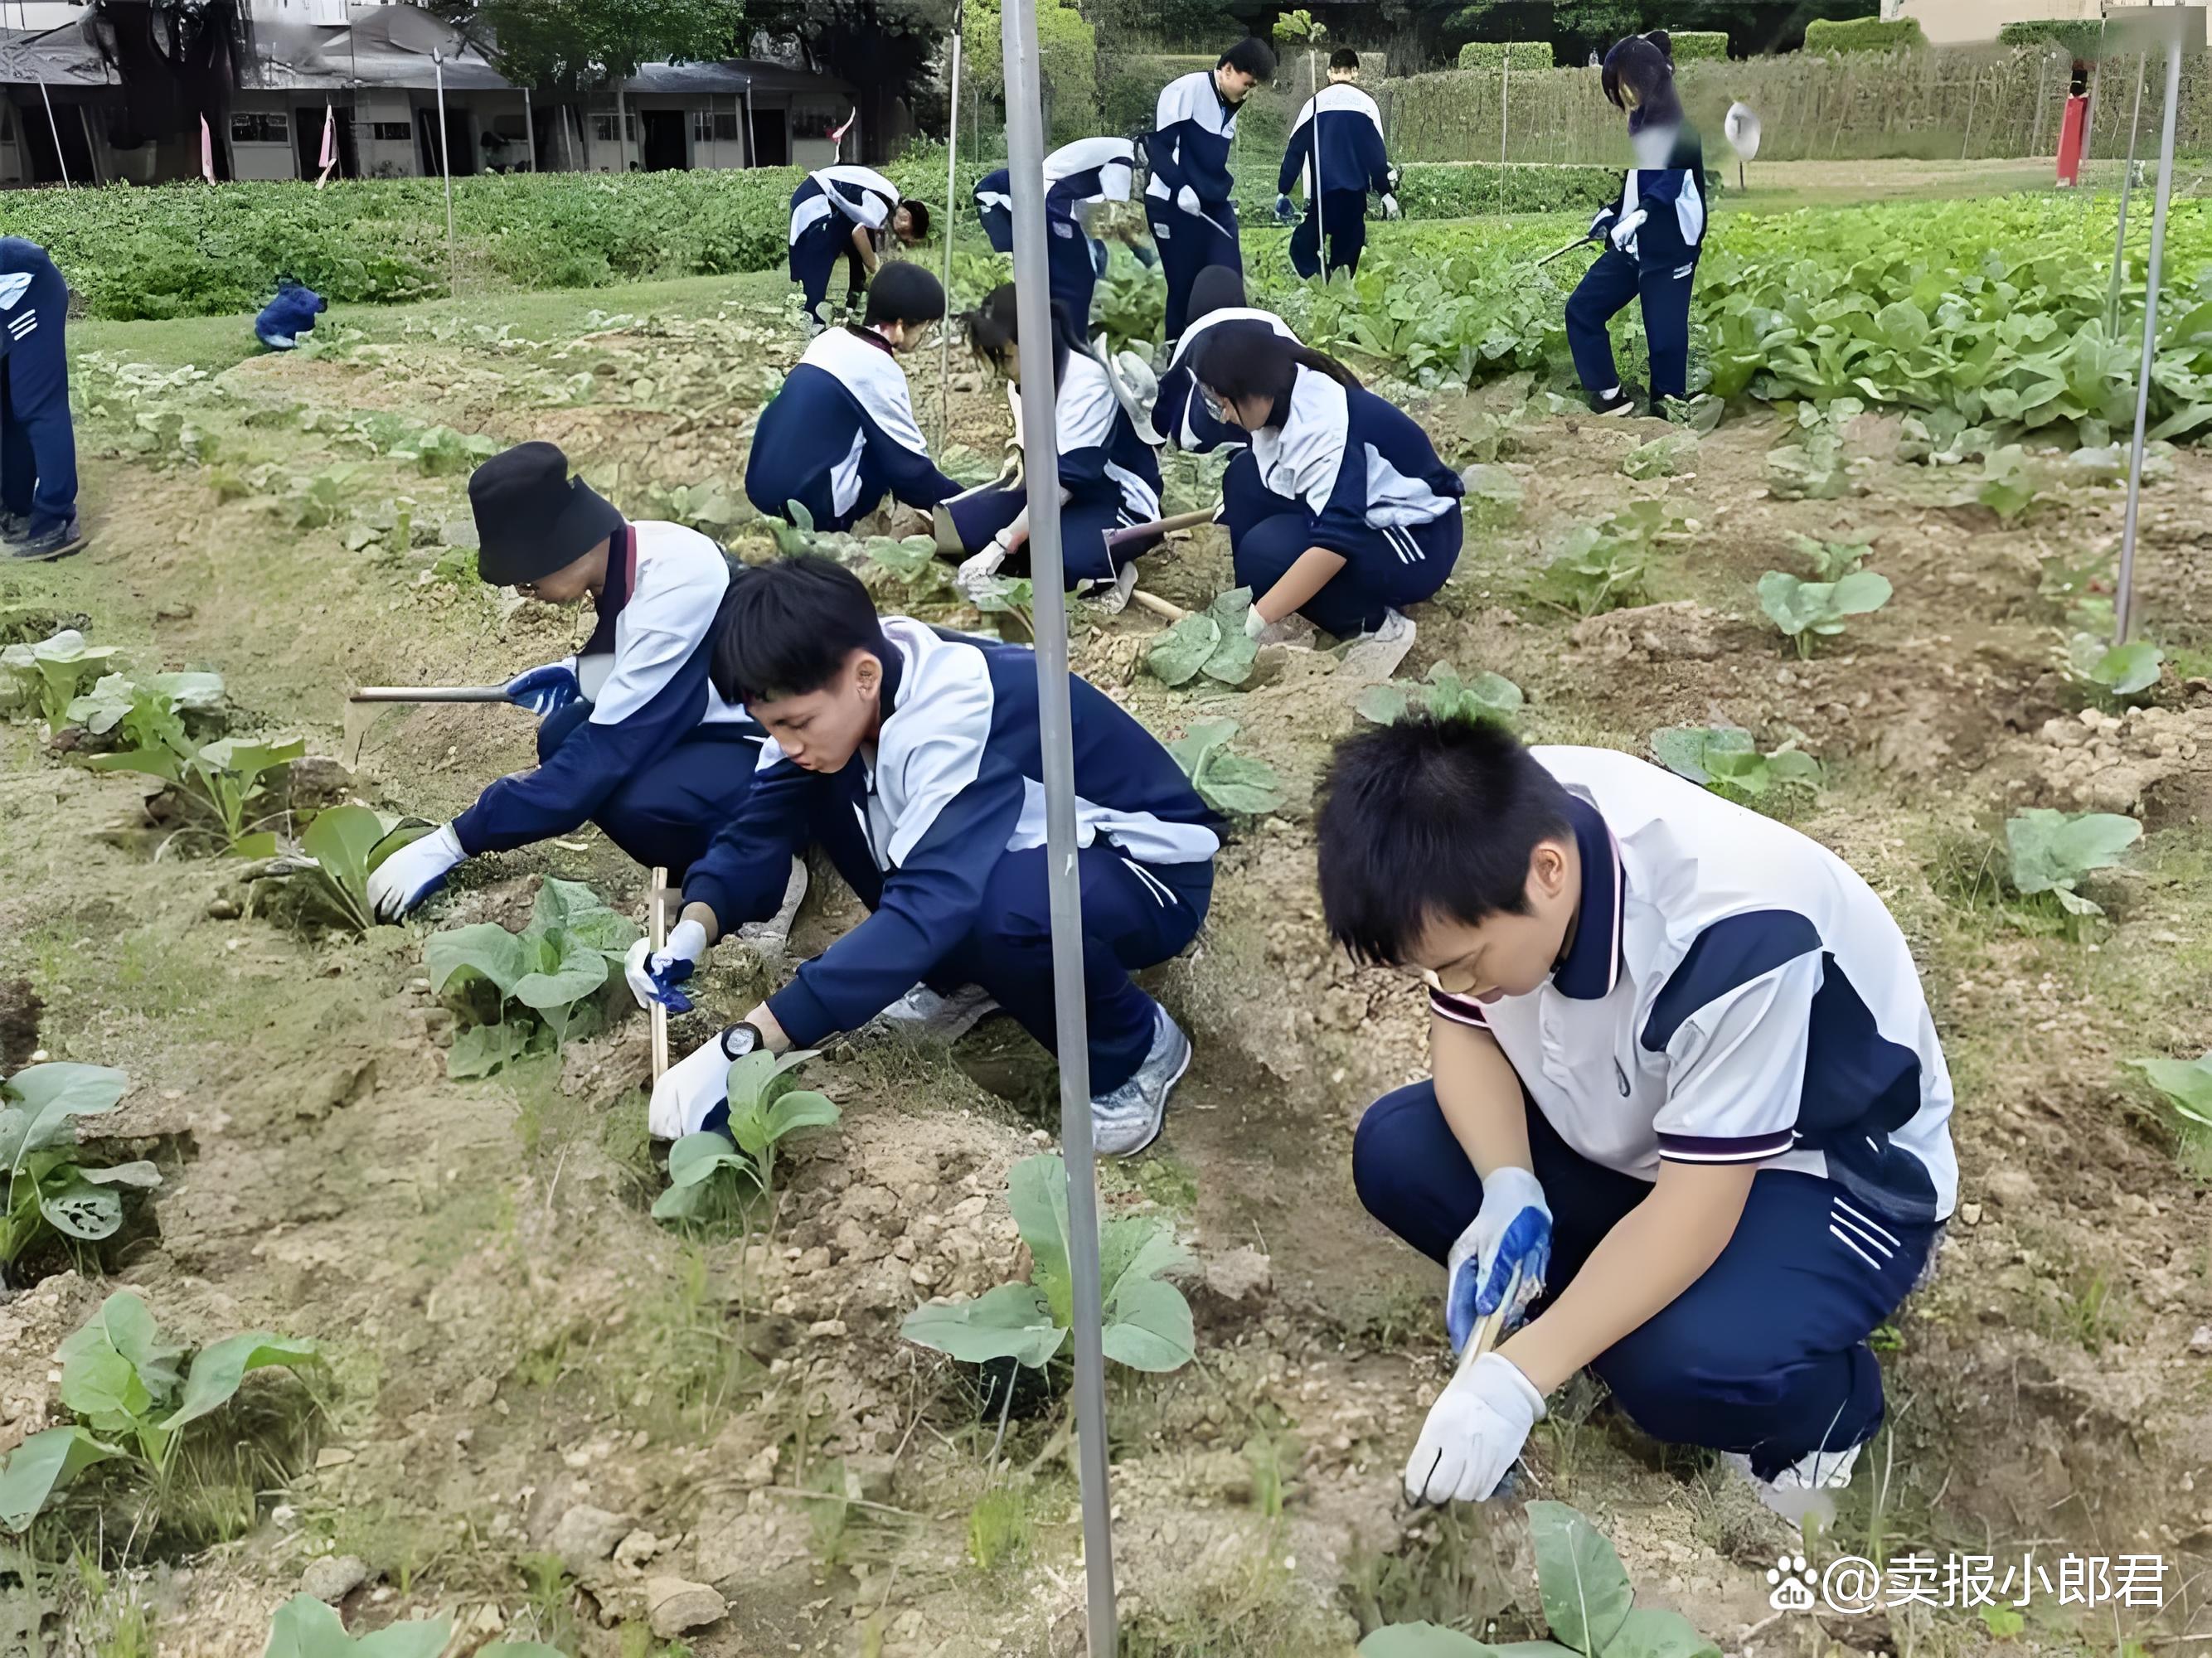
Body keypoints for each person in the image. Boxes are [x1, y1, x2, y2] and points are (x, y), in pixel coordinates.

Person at [1317, 716, 1956, 1514]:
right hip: (1651, 1129)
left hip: (1823, 1170)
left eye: (1465, 963)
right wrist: (1509, 1182)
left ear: (1549, 872)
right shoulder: (1471, 840)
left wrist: (1515, 1380)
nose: (1458, 985)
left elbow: (1696, 1210)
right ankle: (1612, 1312)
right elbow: (1464, 1027)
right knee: (1399, 1152)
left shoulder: (1733, 931)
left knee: (1673, 1366)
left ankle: (1823, 1416)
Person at [629, 554, 1217, 1157]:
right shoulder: (839, 688)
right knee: (825, 786)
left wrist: (751, 1040)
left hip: (1145, 869)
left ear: (864, 676)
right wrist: (694, 927)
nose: (787, 742)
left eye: (796, 724)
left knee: (999, 907)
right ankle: (958, 978)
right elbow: (754, 833)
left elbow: (929, 904)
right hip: (1021, 853)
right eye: (772, 726)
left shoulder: (951, 714)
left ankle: (1134, 1051)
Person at [367, 442, 795, 928]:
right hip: (704, 716)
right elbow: (644, 654)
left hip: (775, 751)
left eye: (527, 580)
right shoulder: (632, 551)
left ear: (566, 546)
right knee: (561, 734)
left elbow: (600, 758)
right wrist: (577, 672)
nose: (524, 593)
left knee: (624, 794)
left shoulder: (677, 584)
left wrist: (454, 841)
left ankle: (753, 883)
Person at [1191, 327, 1459, 671]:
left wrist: (1254, 624)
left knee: (1264, 553)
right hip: (1362, 511)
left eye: (1225, 404)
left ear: (1255, 391)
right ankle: (1262, 600)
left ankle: (1370, 624)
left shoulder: (1324, 428)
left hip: (1417, 540)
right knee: (1242, 478)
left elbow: (1334, 547)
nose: (1225, 415)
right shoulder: (1280, 389)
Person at [948, 283, 1165, 602]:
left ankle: (1115, 568)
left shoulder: (1087, 382)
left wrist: (1001, 545)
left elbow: (1063, 485)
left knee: (1057, 558)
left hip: (1114, 497)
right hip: (1055, 490)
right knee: (964, 527)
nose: (1003, 370)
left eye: (1006, 357)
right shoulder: (1032, 375)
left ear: (1035, 342)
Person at [745, 263, 961, 534]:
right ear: (901, 326)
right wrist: (966, 503)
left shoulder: (829, 339)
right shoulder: (879, 368)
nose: (925, 335)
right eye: (925, 327)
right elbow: (911, 473)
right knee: (886, 457)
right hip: (810, 509)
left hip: (761, 489)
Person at [1565, 32, 1706, 416]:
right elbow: (1636, 189)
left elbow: (1666, 187)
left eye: (1626, 88)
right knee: (1582, 308)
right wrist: (1611, 215)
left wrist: (1639, 217)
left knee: (1665, 339)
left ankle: (1668, 407)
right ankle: (1609, 394)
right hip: (1632, 248)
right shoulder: (1643, 132)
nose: (1623, 100)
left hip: (1670, 250)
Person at [1151, 264, 1302, 551]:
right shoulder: (1273, 324)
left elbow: (1166, 404)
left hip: (1209, 435)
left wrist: (1161, 433)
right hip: (1274, 429)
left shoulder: (1194, 334)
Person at [1145, 37, 1276, 343]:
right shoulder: (1185, 91)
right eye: (1247, 83)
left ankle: (1234, 347)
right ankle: (1179, 353)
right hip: (1171, 203)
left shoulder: (1231, 103)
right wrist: (1180, 188)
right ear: (1227, 69)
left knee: (1228, 278)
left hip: (1213, 204)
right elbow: (1158, 148)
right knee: (1184, 285)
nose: (1248, 91)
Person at [972, 136, 1142, 331]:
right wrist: (1143, 254)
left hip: (1047, 191)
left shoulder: (1099, 171)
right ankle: (1029, 317)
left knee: (1073, 254)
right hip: (1000, 197)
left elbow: (1091, 219)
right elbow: (1118, 214)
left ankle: (1061, 316)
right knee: (1023, 254)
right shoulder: (1122, 160)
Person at [1275, 48, 1399, 281]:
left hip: (1323, 194)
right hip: (1354, 196)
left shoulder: (1314, 104)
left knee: (1302, 247)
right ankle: (1337, 288)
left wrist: (1284, 189)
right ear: (1355, 72)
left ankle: (1320, 280)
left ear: (1329, 72)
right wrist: (1385, 192)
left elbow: (1295, 150)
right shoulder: (1366, 105)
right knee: (1346, 260)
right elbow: (1377, 155)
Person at [0, 237, 84, 563]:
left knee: (36, 404)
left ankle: (56, 517)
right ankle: (17, 504)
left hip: (30, 288)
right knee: (8, 405)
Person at [787, 163, 932, 330]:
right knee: (824, 251)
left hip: (820, 195)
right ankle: (814, 317)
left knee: (860, 242)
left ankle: (855, 298)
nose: (898, 238)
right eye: (903, 236)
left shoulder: (891, 198)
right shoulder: (882, 208)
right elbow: (858, 233)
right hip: (815, 199)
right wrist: (875, 267)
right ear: (906, 218)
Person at [255, 279, 327, 351]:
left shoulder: (287, 294)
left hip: (260, 328)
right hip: (275, 336)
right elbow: (306, 324)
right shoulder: (311, 301)